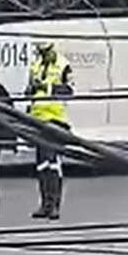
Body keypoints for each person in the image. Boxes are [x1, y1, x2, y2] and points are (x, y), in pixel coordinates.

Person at [26, 40, 74, 220]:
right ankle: (44, 205)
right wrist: (32, 89)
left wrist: (46, 87)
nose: (43, 54)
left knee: (53, 163)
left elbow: (69, 90)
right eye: (41, 51)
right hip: (38, 120)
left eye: (46, 51)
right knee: (42, 164)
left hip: (56, 119)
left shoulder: (63, 65)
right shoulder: (35, 66)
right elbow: (29, 92)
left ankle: (55, 205)